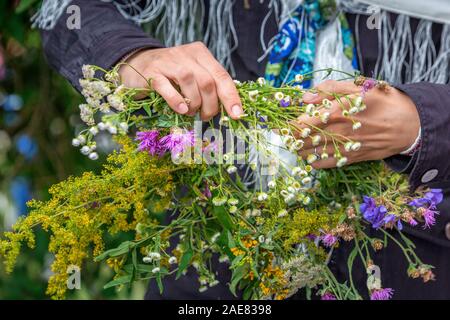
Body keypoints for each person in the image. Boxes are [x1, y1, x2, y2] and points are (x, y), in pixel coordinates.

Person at [38, 0, 450, 299]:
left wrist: (424, 121)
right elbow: (65, 10)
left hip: (416, 258)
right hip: (217, 250)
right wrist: (131, 56)